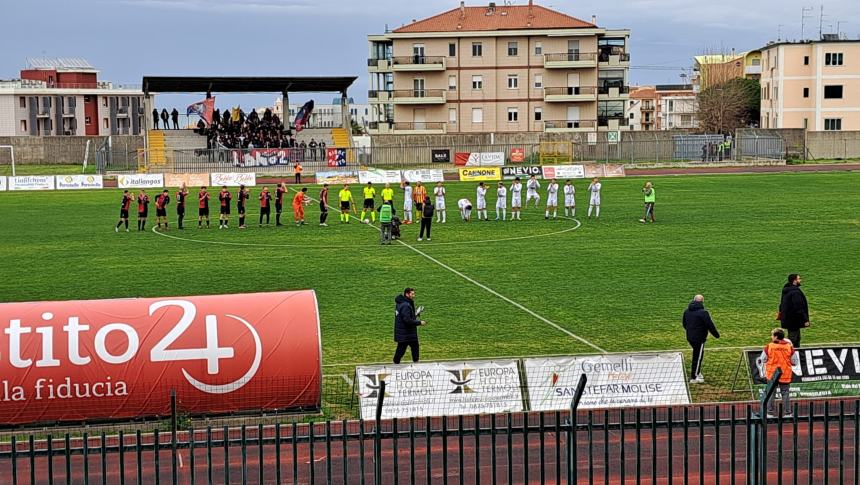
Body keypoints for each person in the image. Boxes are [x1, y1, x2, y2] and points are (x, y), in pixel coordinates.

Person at [756, 328, 799, 418]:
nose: (771, 337)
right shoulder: (789, 347)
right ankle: (787, 413)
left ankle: (769, 413)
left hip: (772, 374)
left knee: (771, 393)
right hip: (785, 373)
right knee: (785, 393)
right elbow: (795, 362)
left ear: (776, 337)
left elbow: (763, 359)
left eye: (772, 335)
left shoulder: (769, 346)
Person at [682, 294, 720, 384]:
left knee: (697, 355)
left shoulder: (687, 311)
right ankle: (694, 377)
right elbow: (710, 325)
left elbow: (684, 324)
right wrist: (716, 335)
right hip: (699, 338)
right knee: (698, 357)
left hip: (690, 337)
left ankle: (697, 372)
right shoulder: (703, 313)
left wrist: (690, 331)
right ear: (702, 301)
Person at [393, 288, 426, 364]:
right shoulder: (405, 305)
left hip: (405, 333)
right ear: (407, 294)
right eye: (412, 294)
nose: (414, 296)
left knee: (413, 348)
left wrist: (415, 314)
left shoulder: (401, 303)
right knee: (402, 350)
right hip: (406, 333)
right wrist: (420, 322)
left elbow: (406, 317)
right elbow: (407, 321)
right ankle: (396, 365)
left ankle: (396, 364)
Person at [779, 274, 809, 347]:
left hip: (788, 319)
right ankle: (790, 355)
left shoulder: (786, 290)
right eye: (799, 279)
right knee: (794, 339)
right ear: (794, 281)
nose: (800, 280)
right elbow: (799, 307)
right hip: (794, 320)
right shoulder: (795, 292)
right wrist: (805, 319)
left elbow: (781, 304)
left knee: (796, 338)